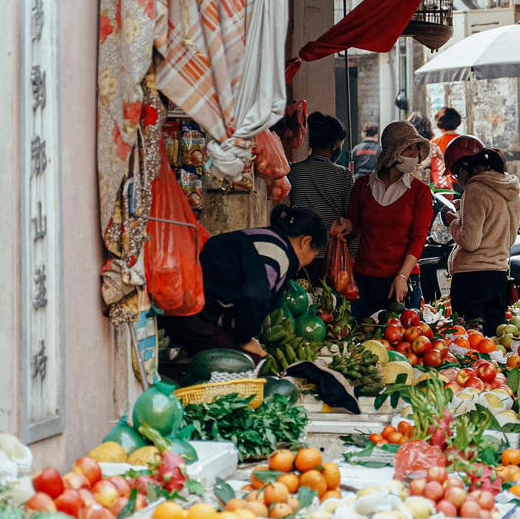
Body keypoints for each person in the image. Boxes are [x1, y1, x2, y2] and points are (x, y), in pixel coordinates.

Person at [161, 206, 325, 357]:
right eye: (314, 253)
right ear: (306, 242)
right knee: (250, 363)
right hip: (191, 313)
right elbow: (254, 296)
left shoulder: (267, 238)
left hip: (193, 306)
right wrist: (245, 340)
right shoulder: (276, 253)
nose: (310, 259)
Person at [334, 120, 433, 317]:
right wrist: (345, 224)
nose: (415, 154)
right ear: (394, 151)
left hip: (401, 281)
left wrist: (402, 276)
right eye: (409, 148)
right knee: (361, 339)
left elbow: (418, 239)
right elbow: (355, 227)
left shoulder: (420, 192)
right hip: (363, 280)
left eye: (417, 149)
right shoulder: (363, 185)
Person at [443, 135, 520, 333]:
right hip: (498, 277)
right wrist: (464, 212)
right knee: (495, 342)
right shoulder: (511, 190)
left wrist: (453, 222)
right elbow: (505, 236)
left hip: (472, 280)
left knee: (469, 343)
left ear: (464, 168)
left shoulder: (475, 188)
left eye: (455, 175)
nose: (457, 181)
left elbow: (470, 241)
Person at [286, 112, 352, 279]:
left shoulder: (293, 171)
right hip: (330, 255)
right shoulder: (343, 175)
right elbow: (349, 215)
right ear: (336, 144)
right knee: (329, 301)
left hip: (299, 251)